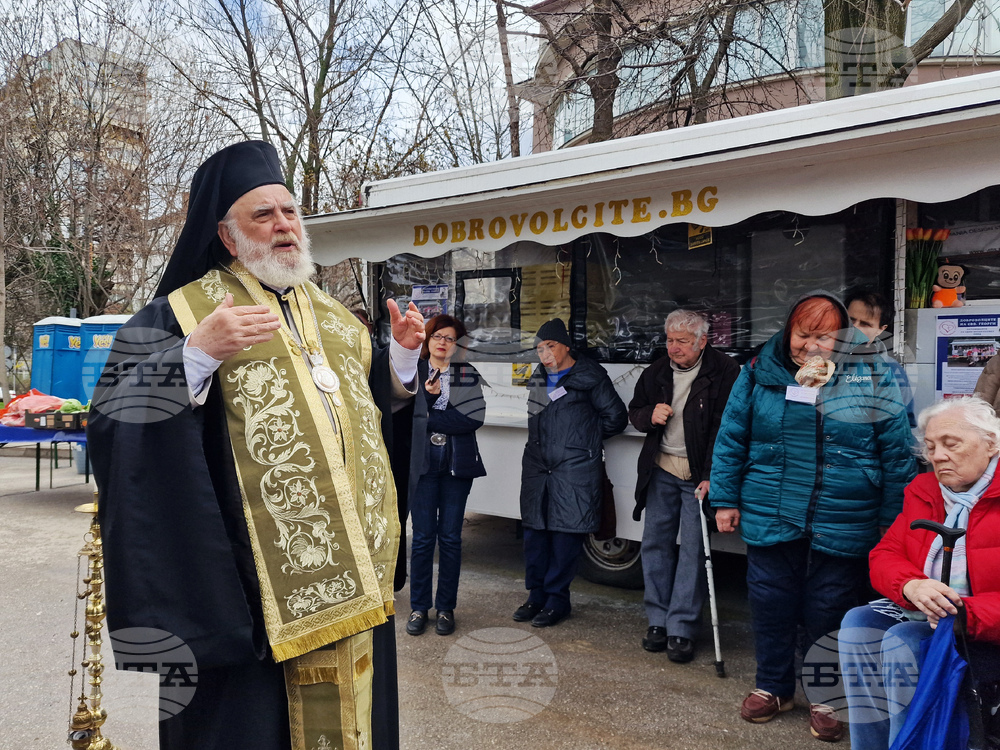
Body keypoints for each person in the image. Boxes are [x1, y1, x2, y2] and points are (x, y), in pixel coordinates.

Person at [88, 141, 425, 750]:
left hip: (355, 581)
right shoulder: (181, 316)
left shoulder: (340, 322)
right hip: (245, 595)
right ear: (225, 234)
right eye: (262, 215)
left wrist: (400, 358)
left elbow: (372, 415)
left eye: (290, 212)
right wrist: (194, 356)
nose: (283, 227)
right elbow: (114, 422)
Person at [710, 293, 916, 743]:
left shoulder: (875, 373)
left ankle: (826, 696)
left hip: (846, 511)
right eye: (804, 334)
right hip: (771, 506)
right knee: (770, 602)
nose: (812, 346)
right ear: (788, 332)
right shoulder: (758, 372)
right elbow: (732, 437)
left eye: (825, 335)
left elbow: (897, 453)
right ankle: (774, 687)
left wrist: (891, 520)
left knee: (830, 608)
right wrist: (725, 499)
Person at [840, 396, 1000, 749]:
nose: (937, 456)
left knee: (904, 642)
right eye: (929, 447)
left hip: (983, 623)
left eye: (950, 444)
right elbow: (886, 554)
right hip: (931, 613)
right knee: (857, 625)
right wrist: (910, 584)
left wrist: (966, 615)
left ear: (990, 443)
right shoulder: (925, 490)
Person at [628, 310, 739, 661]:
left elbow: (727, 429)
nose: (674, 348)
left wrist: (712, 475)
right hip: (661, 468)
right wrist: (649, 416)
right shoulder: (656, 370)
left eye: (682, 342)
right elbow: (635, 410)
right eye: (670, 340)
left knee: (694, 550)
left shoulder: (724, 371)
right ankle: (657, 620)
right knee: (655, 543)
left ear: (703, 341)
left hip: (697, 476)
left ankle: (682, 628)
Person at [513, 318, 627, 628]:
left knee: (565, 538)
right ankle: (535, 596)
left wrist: (583, 440)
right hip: (538, 467)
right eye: (539, 348)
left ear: (565, 346)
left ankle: (557, 601)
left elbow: (616, 417)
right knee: (535, 535)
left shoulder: (589, 376)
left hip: (574, 469)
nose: (545, 353)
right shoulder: (538, 378)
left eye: (550, 346)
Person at [405, 314, 487, 637]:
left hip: (457, 466)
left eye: (449, 338)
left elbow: (474, 418)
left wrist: (431, 419)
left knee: (451, 539)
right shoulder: (414, 372)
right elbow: (409, 415)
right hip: (423, 467)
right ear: (427, 340)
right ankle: (418, 607)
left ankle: (446, 609)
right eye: (437, 336)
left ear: (457, 345)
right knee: (423, 539)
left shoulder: (467, 374)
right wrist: (427, 399)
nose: (442, 342)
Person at [844, 289, 916, 429]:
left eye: (865, 324)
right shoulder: (816, 359)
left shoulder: (891, 370)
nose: (854, 328)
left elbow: (904, 424)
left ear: (881, 329)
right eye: (850, 320)